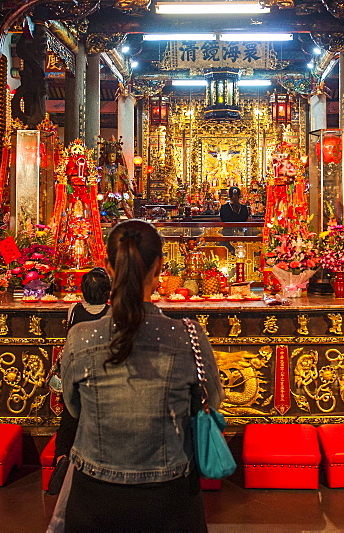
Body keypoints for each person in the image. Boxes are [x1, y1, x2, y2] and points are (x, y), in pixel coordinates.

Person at [53, 219, 223, 532]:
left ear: (108, 267)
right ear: (159, 266)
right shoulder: (188, 336)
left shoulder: (81, 337)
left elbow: (73, 407)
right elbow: (212, 400)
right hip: (169, 494)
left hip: (95, 492)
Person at [51, 267, 112, 468]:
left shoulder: (73, 310)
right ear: (108, 293)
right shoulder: (113, 313)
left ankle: (61, 458)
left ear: (82, 291)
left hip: (76, 375)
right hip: (104, 378)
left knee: (69, 418)